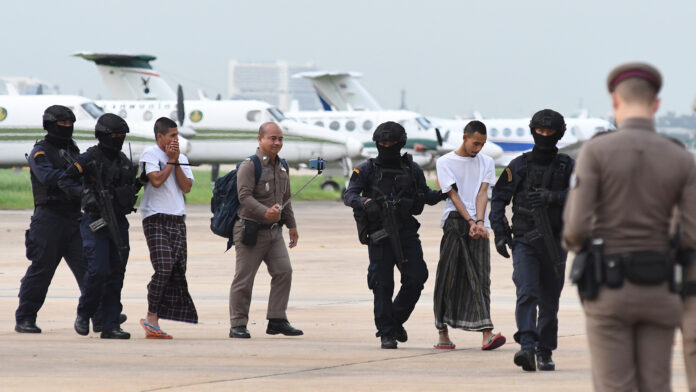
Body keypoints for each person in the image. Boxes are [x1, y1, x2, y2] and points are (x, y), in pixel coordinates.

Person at [563, 63, 696, 391]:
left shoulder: (596, 151)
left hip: (609, 287)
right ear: (657, 104)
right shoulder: (680, 157)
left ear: (615, 101)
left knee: (614, 384)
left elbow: (575, 229)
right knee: (656, 382)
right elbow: (691, 235)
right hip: (661, 288)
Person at [344, 121, 446, 349]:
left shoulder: (412, 169)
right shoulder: (366, 169)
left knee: (417, 277)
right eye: (382, 143)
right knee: (382, 284)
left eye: (391, 143)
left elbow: (424, 194)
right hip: (380, 235)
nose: (387, 146)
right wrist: (364, 201)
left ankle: (395, 320)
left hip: (406, 233)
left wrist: (443, 194)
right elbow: (349, 194)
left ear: (400, 143)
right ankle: (386, 333)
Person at [489, 110, 574, 371]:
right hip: (525, 239)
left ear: (559, 133)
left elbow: (584, 195)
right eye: (541, 131)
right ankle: (527, 345)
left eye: (550, 132)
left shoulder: (568, 165)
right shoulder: (519, 165)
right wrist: (501, 232)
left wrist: (554, 197)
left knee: (550, 299)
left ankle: (545, 350)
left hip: (556, 242)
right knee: (527, 292)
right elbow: (499, 199)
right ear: (533, 131)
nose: (545, 136)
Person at [61, 113, 141, 339]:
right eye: (114, 135)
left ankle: (110, 324)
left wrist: (139, 183)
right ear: (103, 135)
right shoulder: (89, 158)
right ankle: (84, 312)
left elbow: (129, 191)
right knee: (98, 269)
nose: (118, 139)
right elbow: (65, 180)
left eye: (121, 135)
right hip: (95, 220)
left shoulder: (124, 161)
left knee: (117, 273)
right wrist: (85, 194)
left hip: (118, 221)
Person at [434, 120, 506, 351]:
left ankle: (487, 334)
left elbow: (482, 192)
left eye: (482, 144)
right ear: (464, 138)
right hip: (455, 222)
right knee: (447, 277)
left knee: (481, 277)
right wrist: (469, 221)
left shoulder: (486, 161)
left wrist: (480, 222)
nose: (478, 149)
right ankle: (442, 333)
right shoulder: (444, 162)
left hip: (478, 224)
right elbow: (453, 195)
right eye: (475, 143)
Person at [14, 105, 87, 333]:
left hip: (74, 218)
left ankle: (102, 314)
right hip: (49, 219)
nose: (66, 128)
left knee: (89, 268)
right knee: (41, 270)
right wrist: (75, 181)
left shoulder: (74, 150)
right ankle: (25, 317)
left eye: (69, 124)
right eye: (61, 125)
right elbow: (48, 177)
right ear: (50, 126)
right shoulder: (40, 152)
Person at [228, 122, 302, 339]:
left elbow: (285, 198)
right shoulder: (250, 165)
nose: (277, 142)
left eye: (280, 139)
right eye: (272, 138)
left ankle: (277, 319)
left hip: (274, 232)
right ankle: (238, 324)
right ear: (260, 139)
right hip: (250, 230)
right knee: (244, 279)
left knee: (283, 271)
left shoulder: (282, 166)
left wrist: (292, 226)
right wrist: (264, 211)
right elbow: (244, 196)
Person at [138, 117, 197, 339]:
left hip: (177, 218)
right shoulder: (150, 155)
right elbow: (156, 181)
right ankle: (151, 316)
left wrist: (176, 161)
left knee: (176, 269)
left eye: (177, 135)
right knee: (163, 266)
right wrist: (170, 162)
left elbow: (186, 187)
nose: (175, 139)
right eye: (172, 135)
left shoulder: (181, 157)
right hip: (155, 217)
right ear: (160, 136)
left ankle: (157, 313)